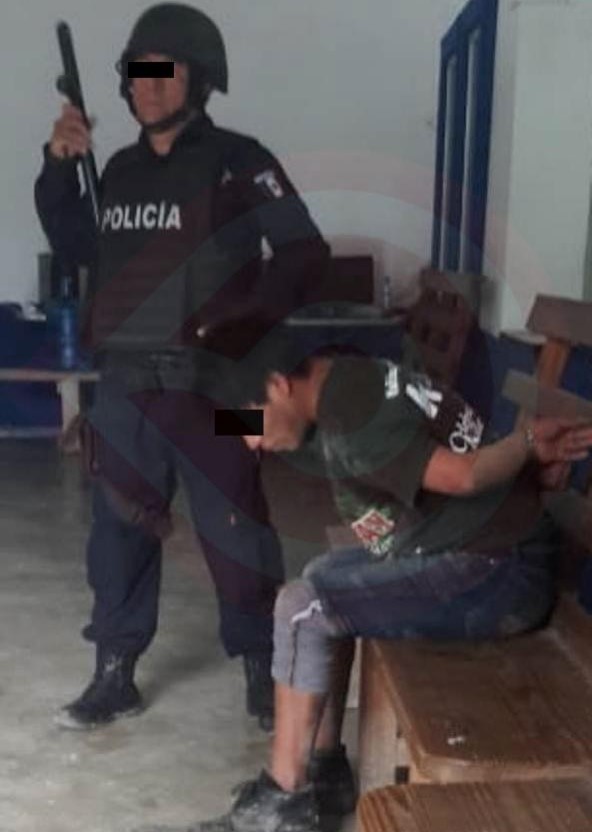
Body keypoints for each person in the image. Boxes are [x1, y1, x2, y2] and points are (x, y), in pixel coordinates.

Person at [34, 3, 330, 733]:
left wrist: (243, 330)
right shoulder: (119, 170)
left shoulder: (239, 160)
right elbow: (79, 247)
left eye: (165, 72)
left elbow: (303, 252)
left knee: (237, 525)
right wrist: (59, 167)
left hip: (217, 389)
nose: (149, 85)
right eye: (138, 73)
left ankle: (263, 669)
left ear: (199, 79)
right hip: (128, 388)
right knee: (118, 530)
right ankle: (115, 672)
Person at [190, 317, 592, 831]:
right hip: (479, 547)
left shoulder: (356, 418)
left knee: (302, 606)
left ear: (278, 383)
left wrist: (528, 441)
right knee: (320, 578)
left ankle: (283, 800)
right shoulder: (337, 381)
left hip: (498, 573)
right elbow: (244, 425)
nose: (250, 441)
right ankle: (325, 771)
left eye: (250, 418)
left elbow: (464, 475)